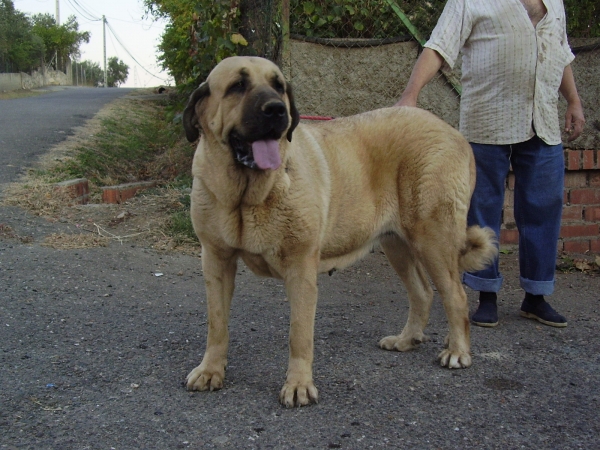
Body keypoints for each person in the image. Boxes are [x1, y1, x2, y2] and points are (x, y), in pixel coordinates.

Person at [395, 0, 585, 328]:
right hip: (487, 120)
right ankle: (486, 295)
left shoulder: (555, 1)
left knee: (544, 207)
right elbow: (438, 47)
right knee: (481, 209)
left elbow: (560, 51)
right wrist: (410, 96)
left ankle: (536, 297)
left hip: (543, 119)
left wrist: (574, 101)